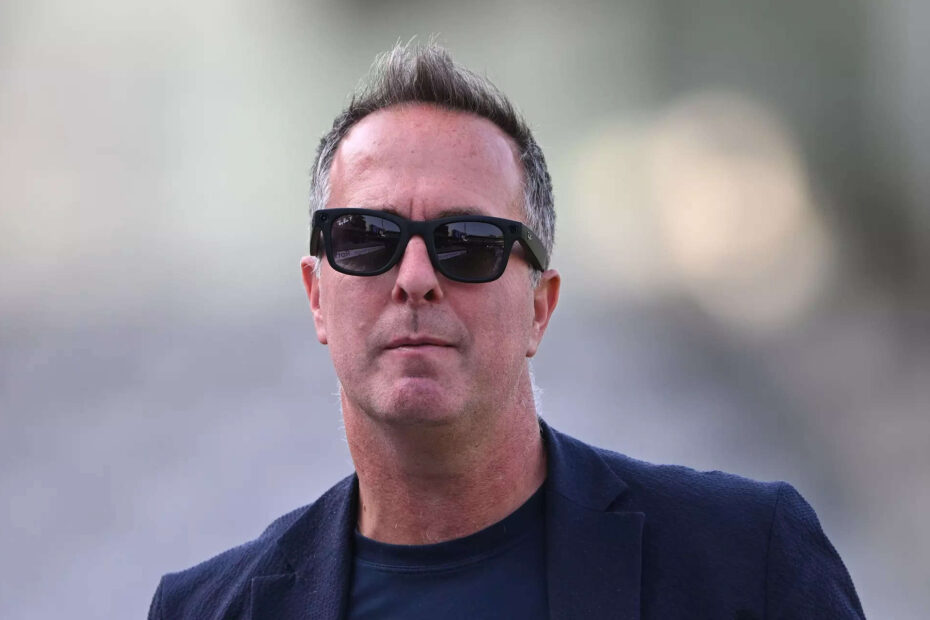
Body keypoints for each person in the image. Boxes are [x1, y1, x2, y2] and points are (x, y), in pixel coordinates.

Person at [148, 42, 864, 619]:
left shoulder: (746, 561)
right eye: (365, 237)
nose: (416, 277)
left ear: (539, 308)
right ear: (315, 296)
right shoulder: (205, 610)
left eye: (468, 243)